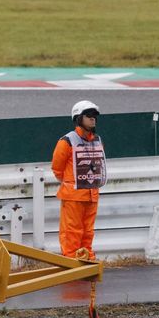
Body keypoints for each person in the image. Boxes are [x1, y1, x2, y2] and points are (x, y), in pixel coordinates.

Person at [51, 100, 107, 260]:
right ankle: (71, 264)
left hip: (92, 194)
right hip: (73, 196)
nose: (93, 119)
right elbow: (57, 168)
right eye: (89, 115)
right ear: (78, 118)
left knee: (88, 232)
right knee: (71, 232)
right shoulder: (67, 141)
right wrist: (71, 184)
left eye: (95, 116)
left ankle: (86, 262)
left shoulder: (97, 140)